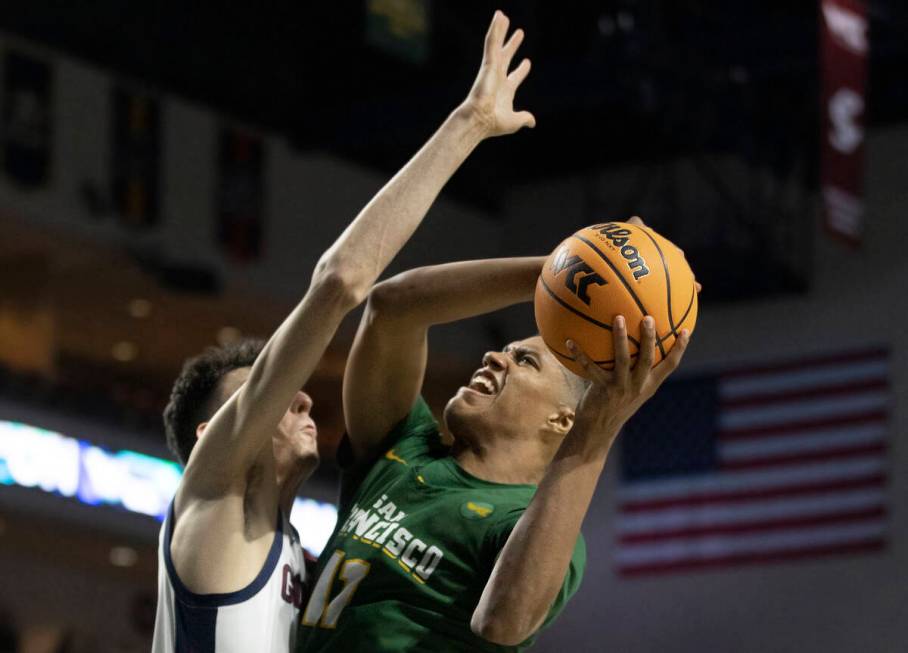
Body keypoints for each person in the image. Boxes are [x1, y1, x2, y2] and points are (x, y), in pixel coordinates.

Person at [151, 10, 536, 652]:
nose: (302, 396)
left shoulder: (303, 564)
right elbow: (341, 283)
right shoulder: (212, 499)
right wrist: (468, 123)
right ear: (209, 435)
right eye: (268, 394)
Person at [297, 226, 691, 652]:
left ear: (563, 419)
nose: (494, 356)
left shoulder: (522, 523)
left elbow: (503, 621)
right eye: (505, 349)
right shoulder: (404, 449)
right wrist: (570, 271)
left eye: (524, 360)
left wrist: (598, 427)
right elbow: (391, 306)